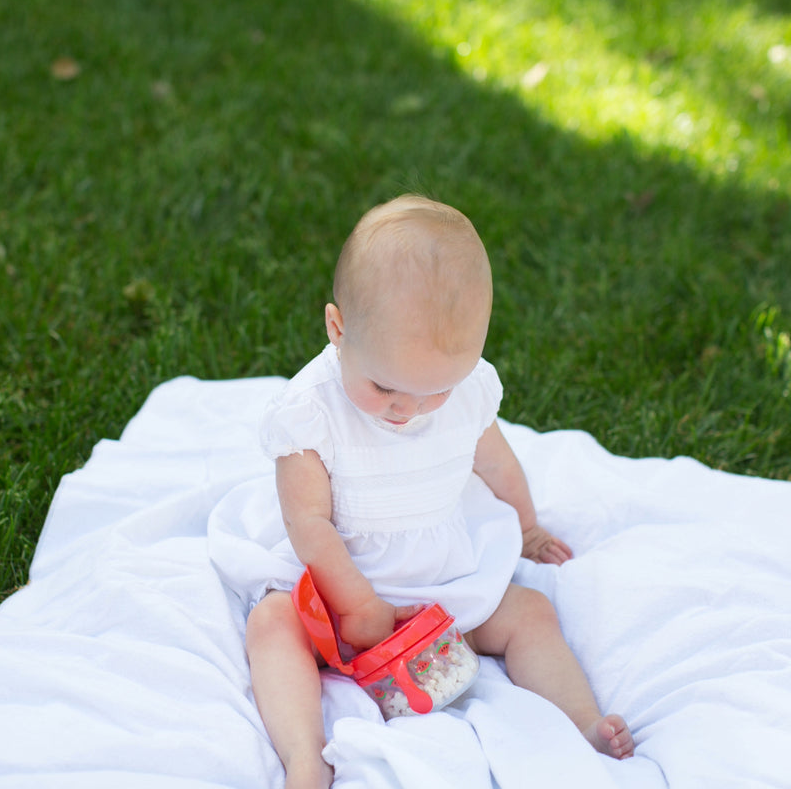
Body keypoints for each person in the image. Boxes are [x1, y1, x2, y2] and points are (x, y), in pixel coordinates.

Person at [245, 195, 633, 788]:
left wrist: (526, 527)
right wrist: (358, 606)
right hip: (340, 588)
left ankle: (581, 726)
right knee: (272, 625)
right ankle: (304, 756)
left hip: (442, 581)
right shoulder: (310, 414)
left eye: (435, 392)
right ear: (337, 328)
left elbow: (497, 463)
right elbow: (309, 524)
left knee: (530, 612)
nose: (409, 411)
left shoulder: (465, 392)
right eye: (385, 388)